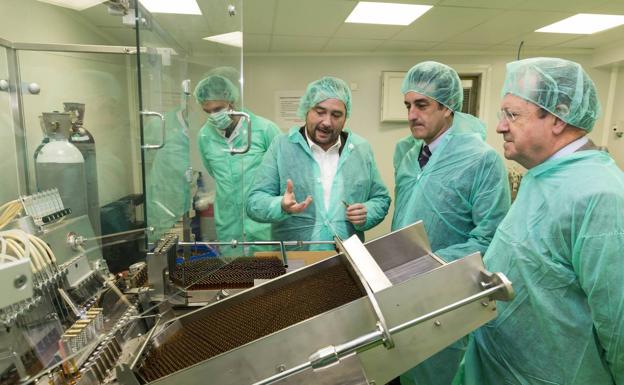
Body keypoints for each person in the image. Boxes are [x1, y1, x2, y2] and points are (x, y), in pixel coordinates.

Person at [458, 57, 624, 384]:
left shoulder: (601, 197)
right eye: (501, 114)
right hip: (502, 365)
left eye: (513, 115)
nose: (500, 126)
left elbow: (618, 325)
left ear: (558, 117)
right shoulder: (544, 174)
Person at [392, 61, 511, 385]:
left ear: (447, 107)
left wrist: (429, 266)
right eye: (408, 106)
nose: (412, 115)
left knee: (442, 373)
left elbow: (490, 236)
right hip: (403, 292)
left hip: (449, 299)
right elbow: (402, 220)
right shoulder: (409, 157)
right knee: (408, 369)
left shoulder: (481, 159)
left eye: (422, 105)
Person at [246, 76, 390, 250]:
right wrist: (280, 206)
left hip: (346, 257)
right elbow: (254, 203)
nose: (327, 122)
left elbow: (381, 199)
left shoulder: (361, 149)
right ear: (306, 110)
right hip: (295, 257)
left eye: (336, 115)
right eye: (320, 112)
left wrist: (368, 212)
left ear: (346, 117)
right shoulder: (281, 146)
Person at [195, 74, 280, 255]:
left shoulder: (265, 129)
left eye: (218, 109)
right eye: (207, 111)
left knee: (267, 276)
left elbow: (283, 172)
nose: (213, 116)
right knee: (235, 278)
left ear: (231, 102)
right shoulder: (204, 136)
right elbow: (214, 172)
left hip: (263, 224)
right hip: (228, 223)